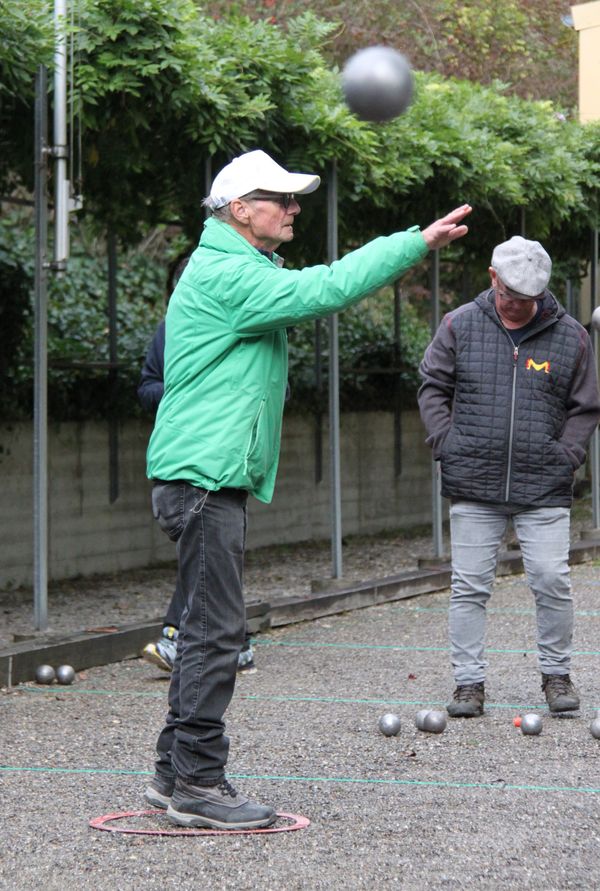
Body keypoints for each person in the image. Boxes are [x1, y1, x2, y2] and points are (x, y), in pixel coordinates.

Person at [143, 148, 471, 829]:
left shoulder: (229, 265)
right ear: (240, 209)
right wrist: (414, 241)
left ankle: (173, 772)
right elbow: (325, 290)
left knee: (207, 627)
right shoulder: (228, 274)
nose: (293, 209)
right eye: (280, 199)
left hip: (203, 474)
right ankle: (199, 783)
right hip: (202, 477)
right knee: (216, 632)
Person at [418, 235, 600, 719]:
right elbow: (433, 387)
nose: (518, 307)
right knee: (469, 585)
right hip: (473, 480)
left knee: (550, 579)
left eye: (528, 300)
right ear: (492, 278)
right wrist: (446, 443)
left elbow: (585, 408)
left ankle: (557, 675)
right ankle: (468, 684)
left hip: (544, 485)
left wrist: (567, 455)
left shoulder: (571, 337)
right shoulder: (459, 324)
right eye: (509, 297)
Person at [137, 258, 255, 674]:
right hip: (184, 456)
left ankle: (217, 640)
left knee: (213, 554)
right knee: (204, 551)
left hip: (226, 456)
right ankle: (199, 639)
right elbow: (148, 386)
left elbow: (270, 384)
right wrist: (183, 390)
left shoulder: (240, 323)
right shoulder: (170, 330)